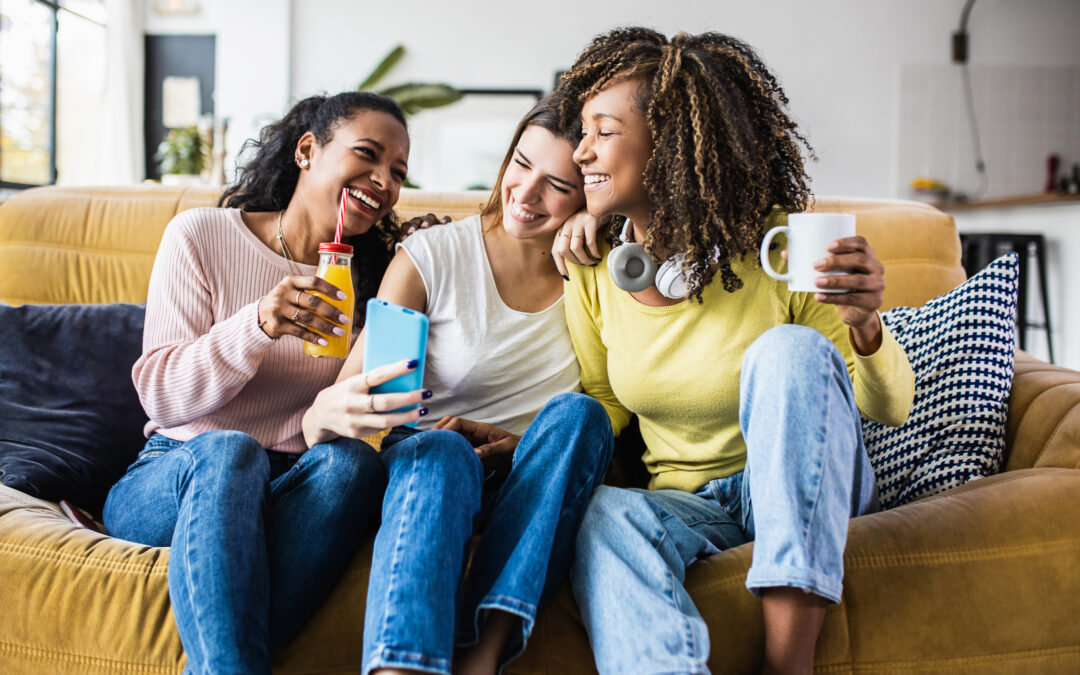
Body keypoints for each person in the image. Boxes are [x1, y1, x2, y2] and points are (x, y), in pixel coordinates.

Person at [551, 29, 914, 674]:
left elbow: (886, 408)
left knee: (788, 352)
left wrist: (864, 322)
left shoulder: (780, 246)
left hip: (805, 483)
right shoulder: (592, 266)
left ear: (668, 141)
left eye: (602, 131)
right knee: (602, 514)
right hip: (690, 503)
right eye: (581, 132)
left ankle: (787, 664)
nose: (580, 153)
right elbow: (606, 401)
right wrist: (525, 442)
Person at [103, 91, 429, 675]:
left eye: (397, 173)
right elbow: (160, 395)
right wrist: (257, 324)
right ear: (308, 150)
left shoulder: (375, 279)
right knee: (231, 450)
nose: (383, 180)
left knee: (351, 465)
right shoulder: (201, 236)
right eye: (368, 155)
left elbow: (369, 410)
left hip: (289, 490)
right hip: (175, 473)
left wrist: (425, 261)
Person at [302, 97, 614, 675]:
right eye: (521, 164)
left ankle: (484, 656)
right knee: (443, 450)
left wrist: (524, 448)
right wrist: (341, 412)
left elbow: (605, 423)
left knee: (579, 416)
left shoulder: (599, 277)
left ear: (591, 193)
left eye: (558, 185)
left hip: (530, 482)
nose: (525, 193)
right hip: (430, 473)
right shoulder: (435, 256)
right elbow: (336, 412)